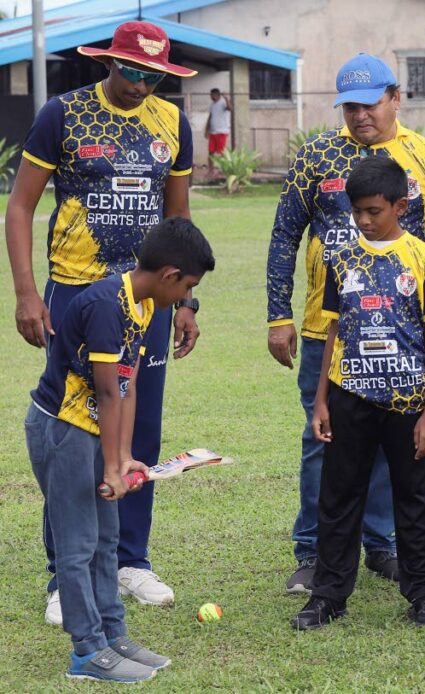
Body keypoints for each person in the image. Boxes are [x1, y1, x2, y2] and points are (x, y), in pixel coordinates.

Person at [4, 21, 199, 625]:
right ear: (108, 64)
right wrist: (28, 293)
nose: (141, 84)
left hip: (150, 302)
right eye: (132, 71)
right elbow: (20, 205)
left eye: (154, 75)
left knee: (139, 427)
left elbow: (180, 223)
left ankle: (128, 560)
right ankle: (65, 574)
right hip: (78, 298)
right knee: (75, 433)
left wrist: (188, 302)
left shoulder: (174, 125)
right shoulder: (62, 115)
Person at [266, 52, 425, 593]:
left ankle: (382, 546)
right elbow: (285, 235)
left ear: (395, 98)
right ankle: (312, 552)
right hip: (327, 328)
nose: (359, 116)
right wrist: (277, 315)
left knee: (393, 440)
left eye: (370, 104)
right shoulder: (317, 156)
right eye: (349, 106)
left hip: (407, 329)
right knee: (322, 437)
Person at [25, 218, 215, 682]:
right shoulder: (108, 306)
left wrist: (125, 457)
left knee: (107, 541)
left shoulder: (144, 304)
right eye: (188, 287)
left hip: (96, 429)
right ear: (170, 274)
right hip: (64, 430)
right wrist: (112, 467)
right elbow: (108, 394)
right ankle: (86, 652)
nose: (185, 297)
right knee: (77, 547)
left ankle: (112, 634)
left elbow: (128, 387)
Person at [291, 157, 425, 630]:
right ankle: (329, 594)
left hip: (407, 402)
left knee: (415, 497)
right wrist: (322, 400)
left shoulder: (424, 260)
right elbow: (333, 331)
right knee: (338, 496)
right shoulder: (338, 258)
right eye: (356, 211)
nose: (363, 220)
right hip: (349, 397)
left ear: (400, 206)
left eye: (373, 211)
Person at [205, 88, 231, 157]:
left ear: (216, 95)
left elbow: (230, 108)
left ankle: (224, 167)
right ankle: (211, 168)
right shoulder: (212, 104)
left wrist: (226, 98)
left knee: (221, 151)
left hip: (222, 131)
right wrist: (206, 130)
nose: (210, 97)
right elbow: (210, 117)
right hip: (213, 132)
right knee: (211, 152)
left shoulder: (223, 102)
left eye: (211, 95)